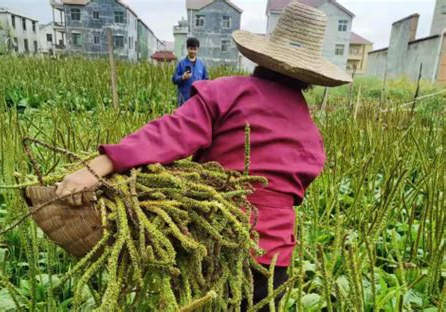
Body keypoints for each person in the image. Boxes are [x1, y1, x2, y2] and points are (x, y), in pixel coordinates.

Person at [56, 2, 351, 310]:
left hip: (215, 246)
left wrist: (96, 167)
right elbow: (297, 189)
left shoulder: (226, 92)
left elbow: (169, 134)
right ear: (310, 77)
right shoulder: (310, 132)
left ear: (263, 59)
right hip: (272, 262)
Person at [172, 37, 209, 106]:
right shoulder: (181, 63)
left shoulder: (202, 64)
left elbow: (206, 80)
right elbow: (174, 80)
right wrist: (182, 77)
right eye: (191, 49)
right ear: (187, 49)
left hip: (197, 99)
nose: (193, 51)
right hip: (183, 99)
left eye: (195, 49)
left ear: (198, 49)